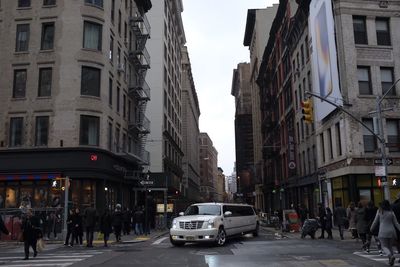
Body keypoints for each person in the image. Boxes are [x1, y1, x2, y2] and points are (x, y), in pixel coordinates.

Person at [370, 200, 400, 266]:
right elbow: (396, 223)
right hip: (392, 232)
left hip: (383, 231)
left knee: (384, 246)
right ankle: (391, 261)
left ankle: (390, 256)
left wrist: (371, 229)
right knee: (390, 246)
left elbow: (375, 222)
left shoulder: (380, 212)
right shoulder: (391, 212)